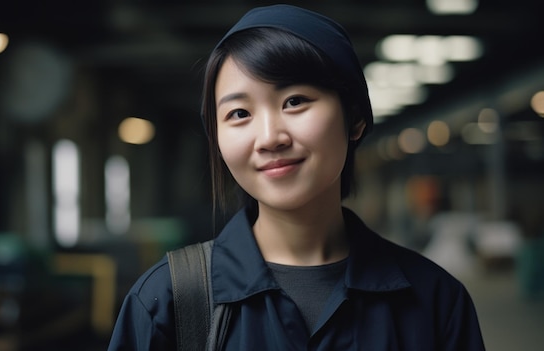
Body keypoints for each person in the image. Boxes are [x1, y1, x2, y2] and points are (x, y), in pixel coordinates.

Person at [108, 4, 486, 350]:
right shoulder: (167, 303)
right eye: (239, 113)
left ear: (353, 117)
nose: (270, 137)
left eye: (295, 101)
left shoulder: (435, 302)